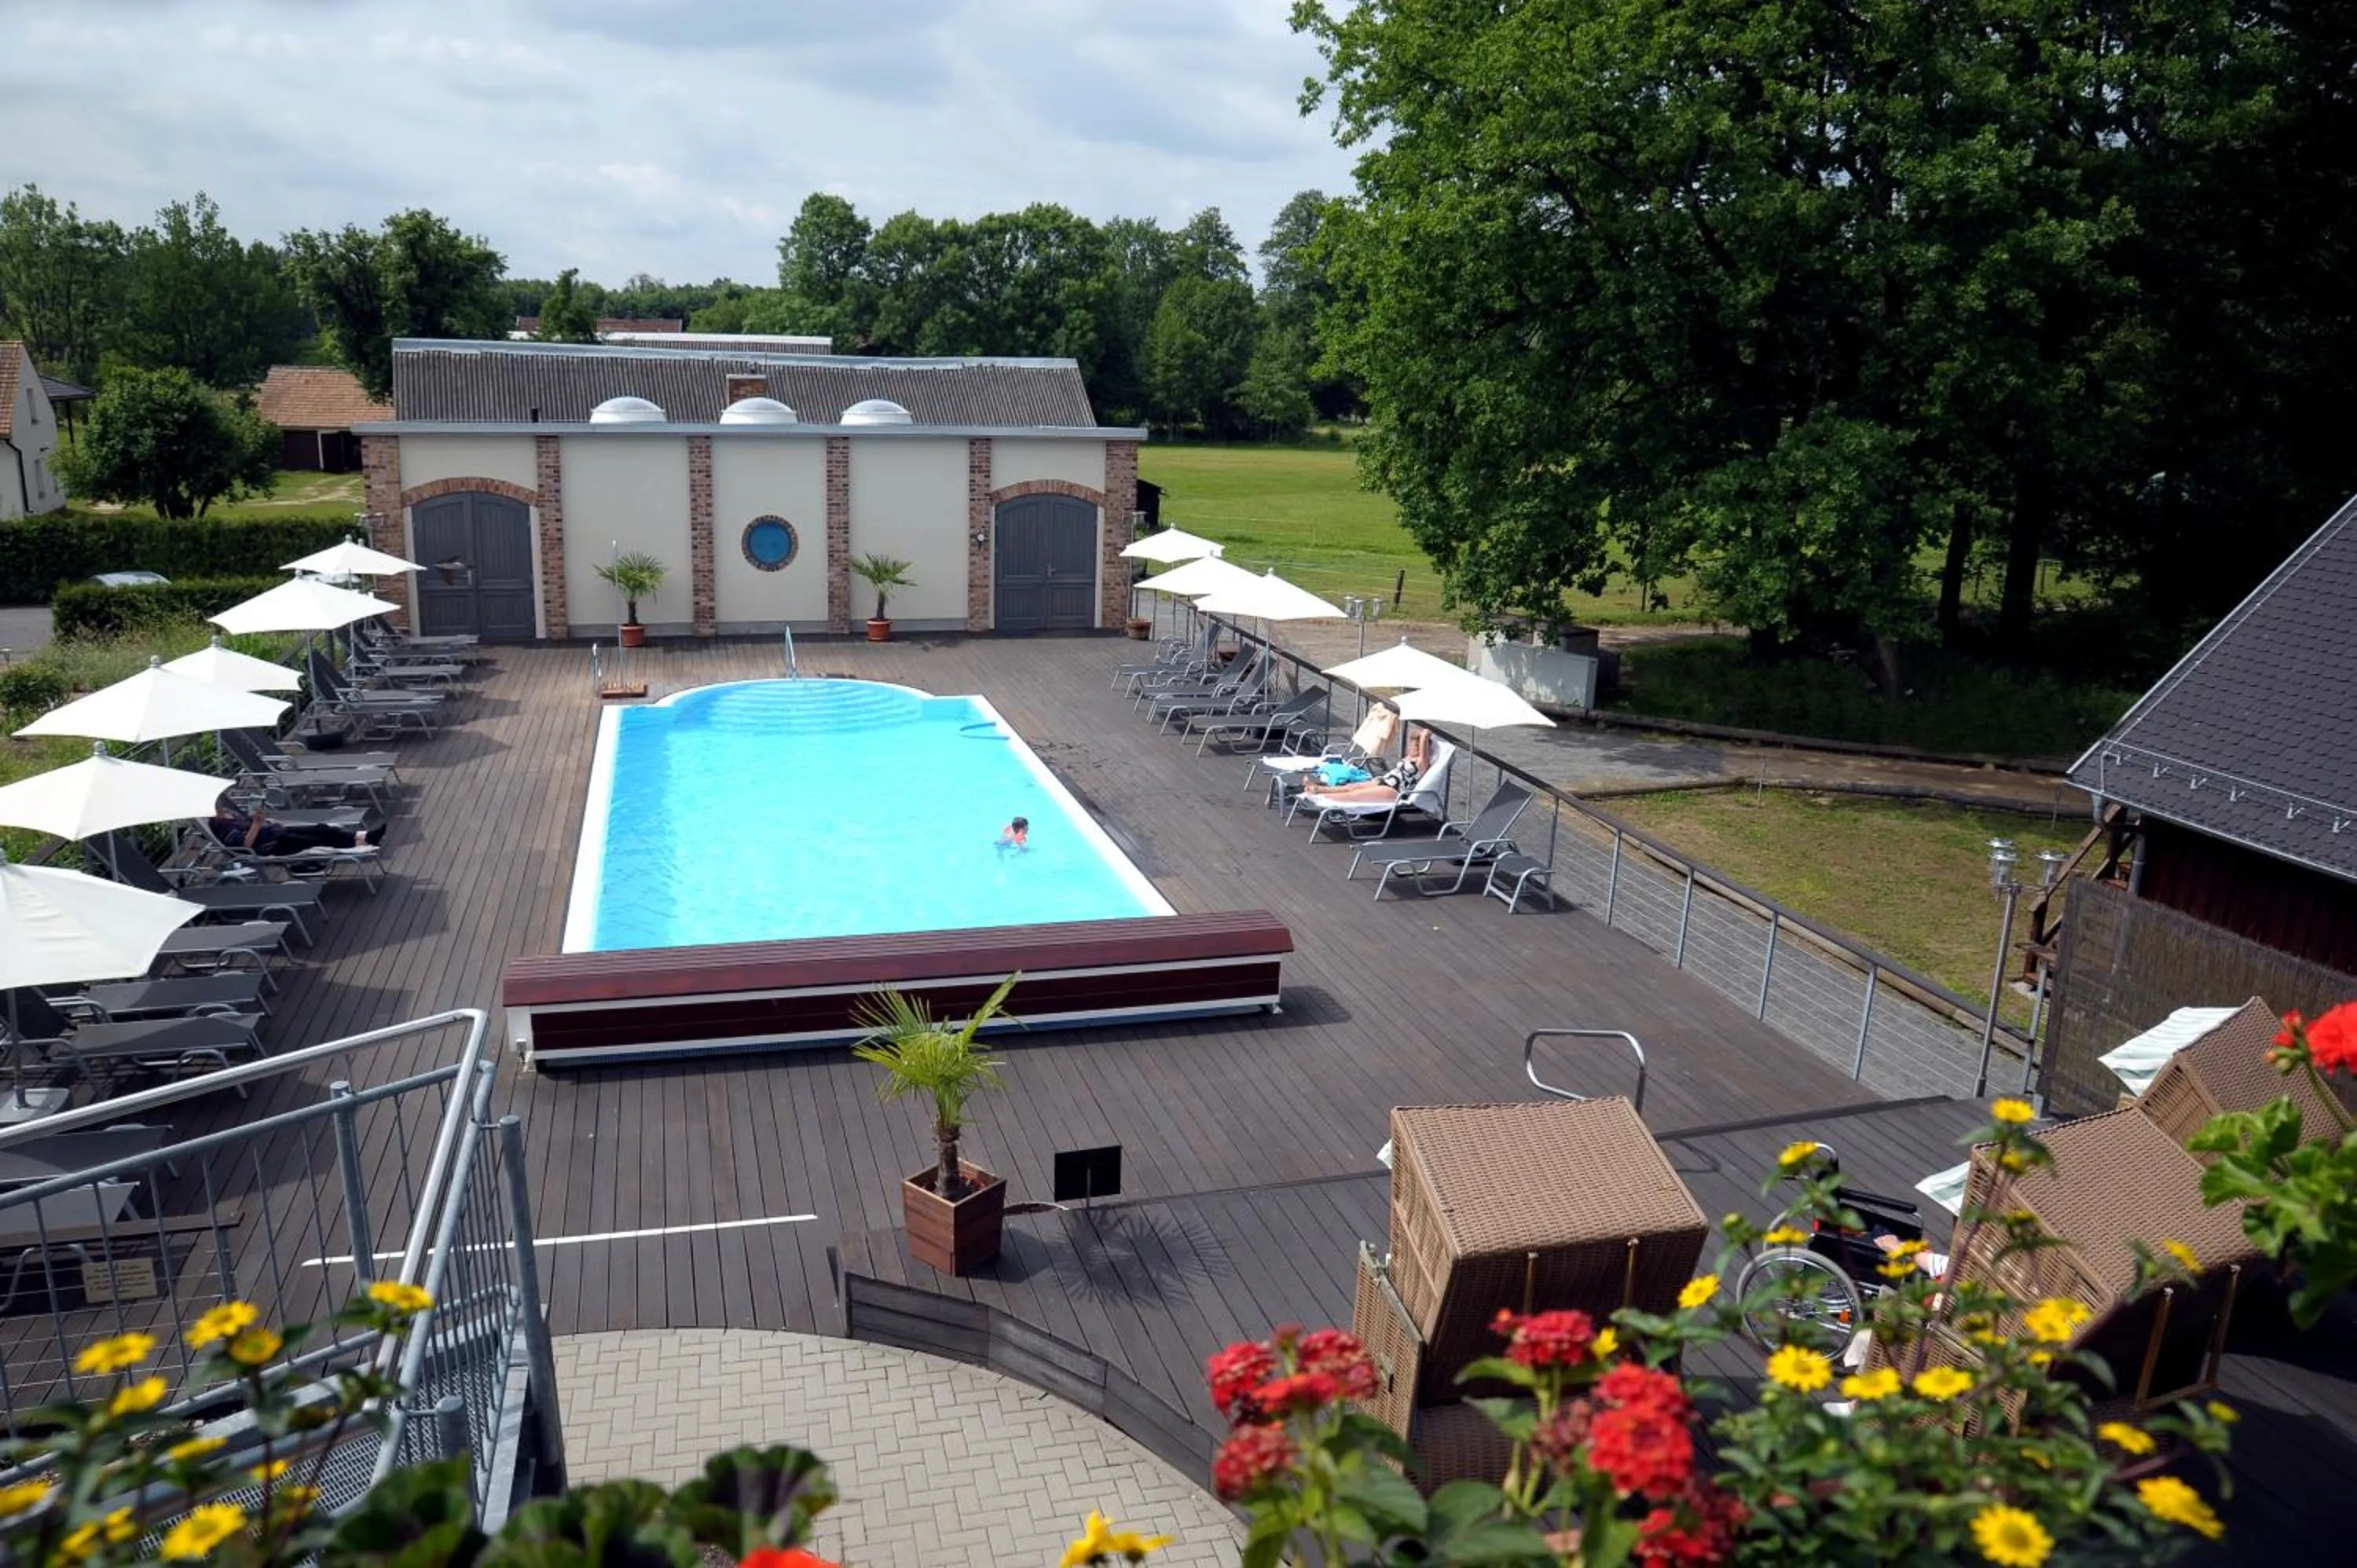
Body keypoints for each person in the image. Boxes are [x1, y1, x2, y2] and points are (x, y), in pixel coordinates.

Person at [210, 801, 369, 855]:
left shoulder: (229, 814)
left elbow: (250, 824)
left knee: (322, 829)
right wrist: (258, 825)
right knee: (318, 841)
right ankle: (358, 845)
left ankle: (362, 838)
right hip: (272, 845)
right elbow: (244, 846)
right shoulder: (220, 826)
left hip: (276, 832)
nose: (221, 803)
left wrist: (266, 822)